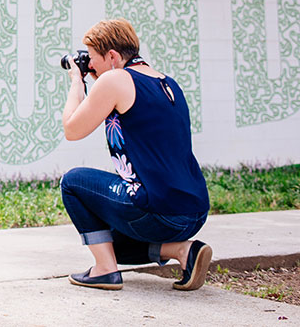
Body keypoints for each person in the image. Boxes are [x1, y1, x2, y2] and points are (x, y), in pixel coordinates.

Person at [60, 18, 211, 291]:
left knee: (72, 182)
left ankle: (105, 271)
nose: (90, 66)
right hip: (194, 212)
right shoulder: (167, 82)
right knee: (110, 244)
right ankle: (183, 251)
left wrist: (76, 83)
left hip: (157, 211)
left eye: (92, 59)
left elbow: (72, 129)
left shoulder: (115, 80)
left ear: (113, 56)